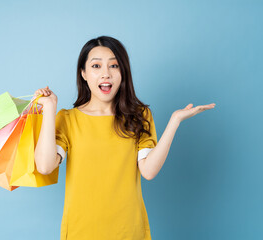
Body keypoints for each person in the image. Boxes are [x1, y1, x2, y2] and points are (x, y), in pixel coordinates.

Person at [33, 36, 215, 240]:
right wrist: (49, 110)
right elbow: (45, 166)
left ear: (123, 73)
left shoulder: (139, 115)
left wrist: (175, 121)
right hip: (80, 231)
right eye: (96, 66)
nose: (106, 74)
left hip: (129, 231)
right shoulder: (67, 119)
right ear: (83, 73)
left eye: (114, 66)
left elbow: (149, 171)